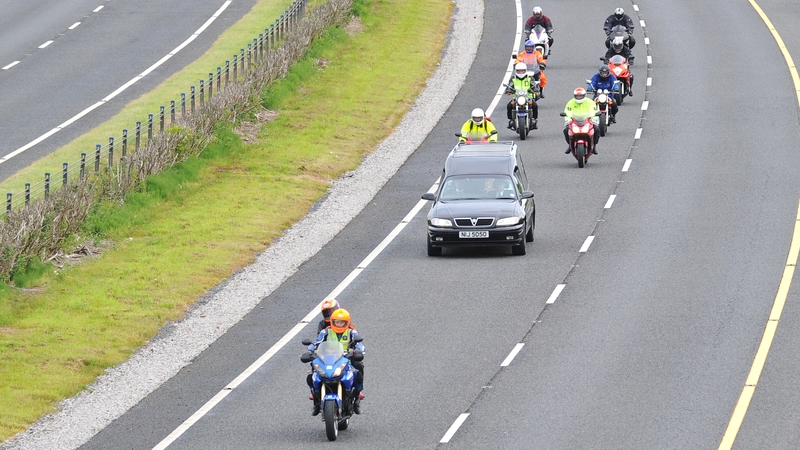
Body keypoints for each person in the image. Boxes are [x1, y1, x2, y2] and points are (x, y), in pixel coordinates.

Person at [306, 309, 366, 415]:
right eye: (337, 322)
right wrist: (310, 350)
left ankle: (357, 398)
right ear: (332, 322)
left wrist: (358, 351)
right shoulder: (326, 331)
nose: (339, 324)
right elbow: (316, 342)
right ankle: (316, 400)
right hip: (328, 359)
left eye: (342, 322)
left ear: (347, 322)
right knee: (312, 373)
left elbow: (360, 344)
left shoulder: (352, 332)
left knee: (358, 370)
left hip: (346, 360)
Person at [563, 87, 600, 155]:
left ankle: (594, 146)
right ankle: (569, 145)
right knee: (566, 130)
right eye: (577, 96)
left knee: (596, 129)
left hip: (587, 121)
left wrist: (593, 119)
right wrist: (568, 120)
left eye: (580, 96)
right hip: (575, 121)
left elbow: (594, 111)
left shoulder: (590, 102)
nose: (579, 97)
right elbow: (567, 112)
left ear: (584, 95)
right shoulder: (570, 102)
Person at [504, 63, 539, 131]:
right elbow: (510, 85)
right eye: (519, 71)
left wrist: (535, 89)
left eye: (522, 71)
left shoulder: (530, 78)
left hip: (528, 97)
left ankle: (534, 120)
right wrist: (508, 90)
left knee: (535, 105)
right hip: (516, 98)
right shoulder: (513, 79)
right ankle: (511, 121)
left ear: (525, 70)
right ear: (516, 71)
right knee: (509, 106)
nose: (521, 72)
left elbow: (534, 85)